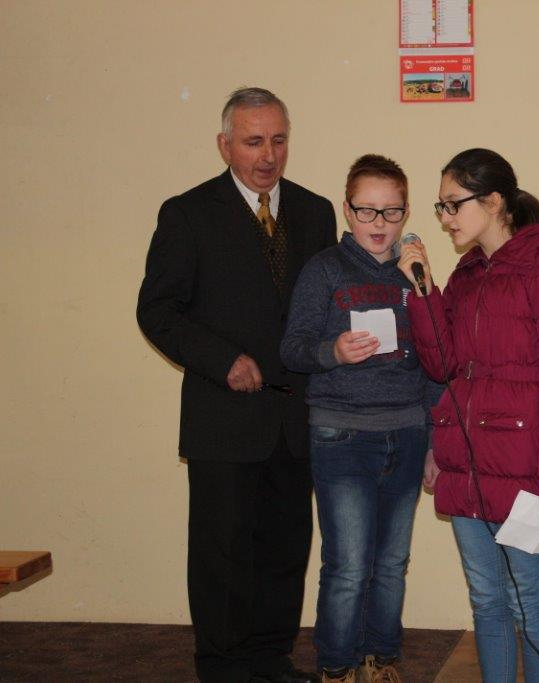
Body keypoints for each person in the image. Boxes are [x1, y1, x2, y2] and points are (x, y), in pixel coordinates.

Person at [137, 87, 337, 683]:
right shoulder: (187, 214)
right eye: (253, 142)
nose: (267, 155)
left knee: (285, 550)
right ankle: (223, 668)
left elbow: (327, 307)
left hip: (296, 419)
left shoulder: (315, 211)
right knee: (222, 555)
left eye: (278, 140)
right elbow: (158, 311)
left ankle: (271, 660)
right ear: (225, 145)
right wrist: (221, 359)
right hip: (223, 419)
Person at [397, 148, 539, 683]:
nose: (445, 218)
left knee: (528, 598)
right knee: (486, 599)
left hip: (525, 468)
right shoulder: (466, 276)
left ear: (495, 200)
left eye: (453, 204)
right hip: (466, 464)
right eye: (440, 207)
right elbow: (444, 365)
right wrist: (423, 291)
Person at [280, 154, 441, 683]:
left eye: (391, 212)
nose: (379, 223)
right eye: (367, 210)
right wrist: (334, 351)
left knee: (392, 562)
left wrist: (434, 439)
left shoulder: (415, 274)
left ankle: (382, 658)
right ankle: (337, 666)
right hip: (342, 434)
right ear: (347, 211)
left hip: (407, 431)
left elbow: (437, 360)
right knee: (348, 565)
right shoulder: (325, 269)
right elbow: (293, 349)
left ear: (407, 213)